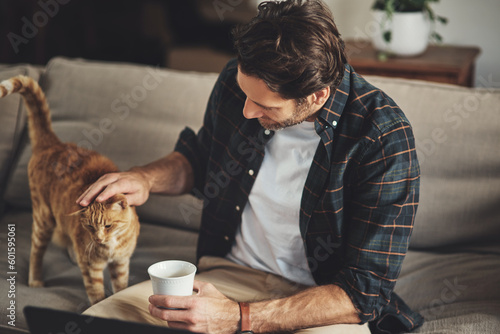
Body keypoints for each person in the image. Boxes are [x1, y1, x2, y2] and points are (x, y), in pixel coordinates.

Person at [78, 1, 423, 333]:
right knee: (99, 324)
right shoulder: (234, 80)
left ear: (316, 96)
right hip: (226, 276)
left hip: (323, 301)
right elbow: (201, 158)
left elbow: (363, 293)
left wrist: (239, 318)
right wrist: (144, 179)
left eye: (263, 104)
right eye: (245, 94)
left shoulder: (382, 137)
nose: (246, 111)